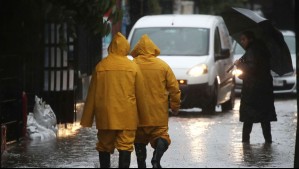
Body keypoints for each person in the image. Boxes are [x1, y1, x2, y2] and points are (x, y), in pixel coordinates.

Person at [80, 32, 148, 168]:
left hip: (105, 116)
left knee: (104, 145)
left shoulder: (100, 66)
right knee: (125, 145)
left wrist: (86, 119)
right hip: (127, 116)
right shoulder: (133, 67)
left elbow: (92, 95)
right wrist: (145, 119)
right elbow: (141, 95)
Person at [130, 34, 181, 168]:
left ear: (137, 49)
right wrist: (175, 106)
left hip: (137, 114)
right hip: (158, 114)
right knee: (162, 137)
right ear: (153, 49)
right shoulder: (163, 66)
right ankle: (156, 159)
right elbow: (174, 89)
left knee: (139, 140)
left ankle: (141, 164)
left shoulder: (131, 65)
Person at [234, 31, 277, 144]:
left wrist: (239, 64)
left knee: (248, 118)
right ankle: (268, 141)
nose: (242, 42)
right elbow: (257, 70)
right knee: (265, 118)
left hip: (253, 91)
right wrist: (243, 74)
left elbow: (251, 68)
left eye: (244, 39)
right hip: (264, 89)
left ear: (250, 39)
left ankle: (245, 143)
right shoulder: (260, 49)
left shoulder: (252, 51)